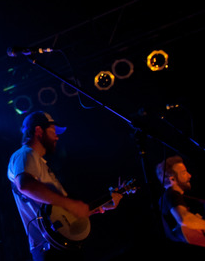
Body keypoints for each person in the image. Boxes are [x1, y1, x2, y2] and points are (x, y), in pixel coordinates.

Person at [7, 111, 121, 260]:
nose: (57, 136)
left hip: (57, 245)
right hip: (49, 247)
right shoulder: (25, 154)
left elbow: (57, 214)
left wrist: (95, 208)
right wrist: (71, 204)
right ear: (38, 131)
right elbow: (25, 185)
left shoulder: (38, 163)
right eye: (53, 131)